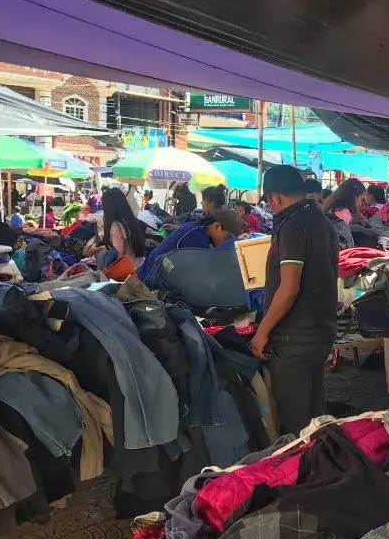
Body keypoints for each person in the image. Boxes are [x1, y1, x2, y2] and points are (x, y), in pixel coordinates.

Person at [252, 166, 338, 435]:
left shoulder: (292, 226)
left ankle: (305, 471)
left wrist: (261, 333)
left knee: (296, 421)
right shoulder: (322, 221)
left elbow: (289, 288)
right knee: (315, 414)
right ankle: (325, 467)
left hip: (295, 338)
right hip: (321, 330)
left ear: (275, 197)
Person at [144, 207, 245, 261]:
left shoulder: (197, 229)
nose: (226, 242)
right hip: (149, 280)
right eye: (227, 238)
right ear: (217, 226)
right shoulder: (196, 237)